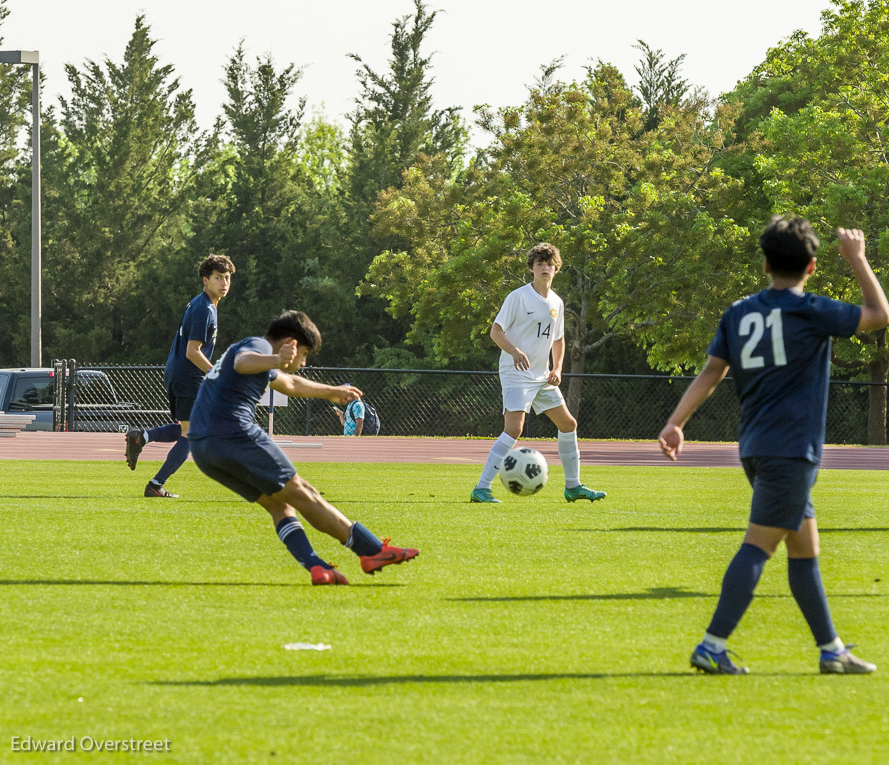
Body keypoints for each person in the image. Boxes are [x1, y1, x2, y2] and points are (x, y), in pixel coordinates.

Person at [658, 217, 889, 676]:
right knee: (758, 548)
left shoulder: (738, 312)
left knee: (805, 549)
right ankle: (711, 644)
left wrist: (675, 421)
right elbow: (880, 315)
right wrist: (858, 259)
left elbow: (711, 371)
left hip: (756, 445)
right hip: (791, 449)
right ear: (811, 266)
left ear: (765, 262)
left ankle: (832, 651)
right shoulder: (812, 311)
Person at [187, 310, 418, 585]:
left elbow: (290, 383)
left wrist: (330, 392)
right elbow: (242, 362)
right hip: (232, 434)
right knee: (304, 492)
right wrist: (276, 358)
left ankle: (318, 567)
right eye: (304, 353)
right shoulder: (259, 347)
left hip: (203, 448)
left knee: (279, 506)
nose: (304, 362)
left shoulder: (258, 356)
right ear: (290, 343)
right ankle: (372, 551)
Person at [469, 242, 606, 505]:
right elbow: (496, 332)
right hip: (516, 372)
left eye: (550, 264)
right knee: (514, 429)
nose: (545, 268)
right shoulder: (518, 297)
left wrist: (557, 368)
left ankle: (573, 486)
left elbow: (559, 339)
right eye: (540, 264)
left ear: (556, 269)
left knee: (568, 424)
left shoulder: (557, 301)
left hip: (542, 376)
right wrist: (515, 351)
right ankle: (481, 488)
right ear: (531, 269)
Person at [124, 254, 235, 498]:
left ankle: (142, 436)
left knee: (189, 427)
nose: (224, 283)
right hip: (189, 376)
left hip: (180, 373)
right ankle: (155, 484)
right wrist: (216, 374)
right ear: (205, 280)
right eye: (218, 278)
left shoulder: (204, 304)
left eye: (227, 278)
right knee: (192, 434)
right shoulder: (204, 309)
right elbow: (192, 351)